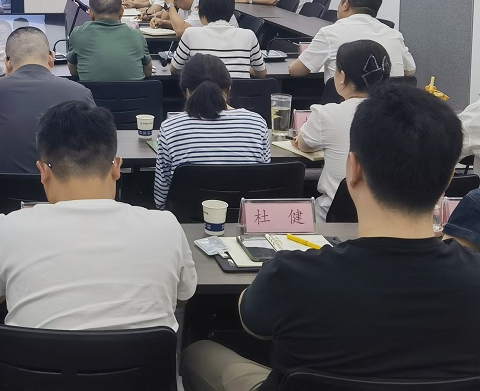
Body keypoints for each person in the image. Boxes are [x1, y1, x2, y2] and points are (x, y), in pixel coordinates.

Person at [181, 83, 480, 391]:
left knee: (197, 353)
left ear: (354, 169)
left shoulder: (292, 275)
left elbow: (251, 319)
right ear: (448, 178)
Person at [0, 100, 197, 328]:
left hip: (34, 353)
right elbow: (183, 296)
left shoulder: (9, 228)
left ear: (43, 171)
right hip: (146, 353)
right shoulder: (167, 227)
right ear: (116, 167)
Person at [292, 39, 391, 221]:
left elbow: (305, 145)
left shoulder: (326, 114)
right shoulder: (403, 114)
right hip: (389, 217)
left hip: (333, 217)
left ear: (342, 76)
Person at [153, 54, 269, 209]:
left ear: (186, 91)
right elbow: (263, 185)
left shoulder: (170, 128)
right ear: (228, 89)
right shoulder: (257, 123)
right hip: (244, 219)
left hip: (185, 220)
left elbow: (161, 199)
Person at [0, 27, 95, 173]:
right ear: (51, 58)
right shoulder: (80, 93)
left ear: (7, 62)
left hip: (5, 187)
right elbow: (94, 148)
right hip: (61, 187)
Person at [289, 0, 415, 84]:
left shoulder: (329, 33)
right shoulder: (394, 34)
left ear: (345, 4)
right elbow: (410, 70)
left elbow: (296, 71)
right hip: (388, 104)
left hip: (343, 104)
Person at [170, 0, 266, 78]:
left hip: (202, 90)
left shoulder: (190, 34)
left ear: (200, 10)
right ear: (232, 11)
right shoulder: (249, 35)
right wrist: (244, 68)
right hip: (239, 90)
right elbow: (261, 73)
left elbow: (174, 69)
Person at [67, 0, 152, 80]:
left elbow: (73, 72)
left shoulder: (78, 33)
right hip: (134, 90)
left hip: (91, 90)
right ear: (122, 12)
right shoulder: (137, 35)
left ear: (91, 13)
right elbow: (148, 72)